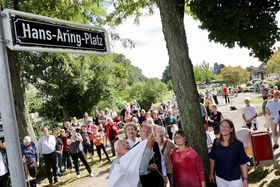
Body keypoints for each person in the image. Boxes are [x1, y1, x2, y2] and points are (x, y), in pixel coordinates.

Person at [209, 119, 249, 187]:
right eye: (222, 126)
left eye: (226, 126)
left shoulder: (238, 144)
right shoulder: (216, 142)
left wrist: (245, 179)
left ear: (231, 129)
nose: (223, 128)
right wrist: (211, 173)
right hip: (220, 178)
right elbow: (212, 158)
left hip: (235, 180)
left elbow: (243, 163)